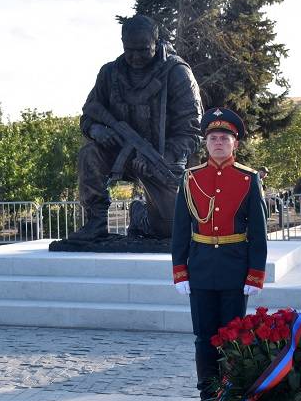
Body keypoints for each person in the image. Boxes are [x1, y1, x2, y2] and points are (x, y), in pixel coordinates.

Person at [171, 108, 268, 401]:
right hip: (200, 268)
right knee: (203, 337)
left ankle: (232, 396)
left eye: (224, 138)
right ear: (206, 143)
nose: (218, 142)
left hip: (234, 268)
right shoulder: (191, 178)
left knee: (234, 337)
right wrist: (179, 269)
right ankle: (208, 398)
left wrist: (255, 274)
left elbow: (259, 233)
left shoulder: (248, 179)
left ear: (234, 144)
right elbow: (180, 229)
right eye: (212, 137)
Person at [69, 15, 203, 241]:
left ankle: (140, 215)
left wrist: (162, 156)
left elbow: (191, 131)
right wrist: (96, 131)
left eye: (143, 49)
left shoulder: (177, 73)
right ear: (122, 43)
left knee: (171, 231)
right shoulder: (109, 73)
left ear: (156, 41)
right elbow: (89, 115)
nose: (135, 57)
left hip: (162, 160)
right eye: (130, 49)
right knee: (89, 154)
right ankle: (96, 221)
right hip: (118, 151)